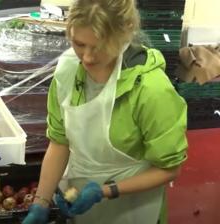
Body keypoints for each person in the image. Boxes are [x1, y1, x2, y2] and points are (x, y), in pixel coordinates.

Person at [22, 0, 188, 223]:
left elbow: (169, 169)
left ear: (125, 33)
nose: (88, 57)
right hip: (81, 204)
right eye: (79, 44)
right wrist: (41, 202)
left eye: (99, 47)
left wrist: (105, 191)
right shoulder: (67, 74)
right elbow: (60, 142)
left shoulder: (151, 90)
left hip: (134, 208)